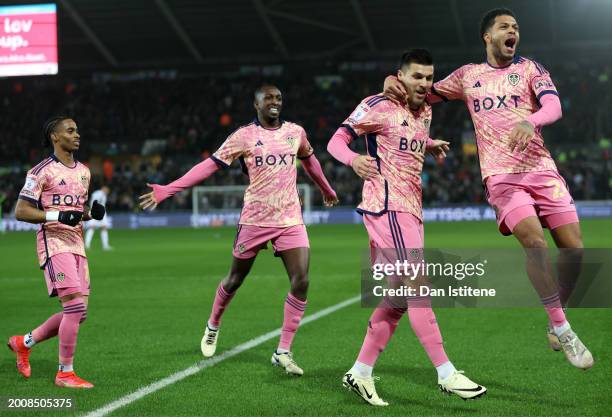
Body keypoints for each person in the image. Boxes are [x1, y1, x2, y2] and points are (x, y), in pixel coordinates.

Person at [383, 8, 592, 370]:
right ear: (488, 36)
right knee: (535, 243)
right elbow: (423, 93)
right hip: (501, 176)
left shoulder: (531, 69)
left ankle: (557, 314)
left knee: (574, 250)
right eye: (505, 27)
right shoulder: (468, 76)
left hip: (541, 170)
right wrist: (392, 82)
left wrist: (532, 119)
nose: (514, 32)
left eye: (516, 27)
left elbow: (554, 106)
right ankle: (564, 328)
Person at [139, 85, 338, 376]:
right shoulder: (244, 136)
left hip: (289, 219)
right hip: (255, 220)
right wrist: (169, 189)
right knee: (235, 279)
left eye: (279, 98)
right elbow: (208, 166)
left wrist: (326, 188)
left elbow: (310, 160)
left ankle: (283, 351)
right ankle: (213, 324)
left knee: (302, 280)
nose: (274, 102)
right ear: (255, 104)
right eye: (268, 98)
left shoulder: (296, 131)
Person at [327, 50, 485, 406]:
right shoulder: (377, 105)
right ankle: (446, 373)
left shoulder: (425, 110)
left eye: (429, 78)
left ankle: (360, 372)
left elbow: (404, 136)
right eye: (417, 77)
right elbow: (336, 141)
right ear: (400, 76)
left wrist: (428, 144)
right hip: (387, 207)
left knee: (398, 298)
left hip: (411, 210)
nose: (424, 84)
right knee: (419, 285)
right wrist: (353, 160)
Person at [8, 116, 105, 389]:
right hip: (54, 243)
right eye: (70, 130)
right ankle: (65, 373)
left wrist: (89, 214)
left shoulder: (85, 171)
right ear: (54, 136)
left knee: (79, 312)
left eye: (77, 130)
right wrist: (57, 215)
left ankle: (23, 343)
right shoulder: (41, 171)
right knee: (73, 307)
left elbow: (75, 213)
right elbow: (21, 211)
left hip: (77, 244)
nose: (77, 135)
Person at [85, 185, 112, 250]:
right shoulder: (98, 194)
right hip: (96, 211)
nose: (108, 191)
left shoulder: (102, 194)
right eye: (107, 190)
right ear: (104, 188)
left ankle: (105, 246)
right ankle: (87, 245)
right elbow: (93, 202)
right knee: (92, 227)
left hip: (101, 212)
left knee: (103, 227)